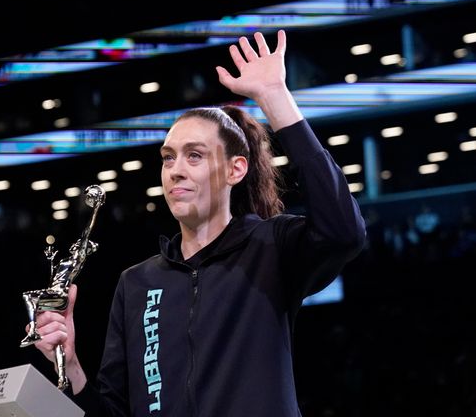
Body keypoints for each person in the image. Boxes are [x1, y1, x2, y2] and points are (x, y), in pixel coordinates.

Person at [29, 29, 366, 416]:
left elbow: (344, 230)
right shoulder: (137, 283)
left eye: (194, 156)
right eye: (168, 157)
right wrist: (70, 363)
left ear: (236, 169)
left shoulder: (271, 246)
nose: (175, 171)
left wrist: (276, 99)